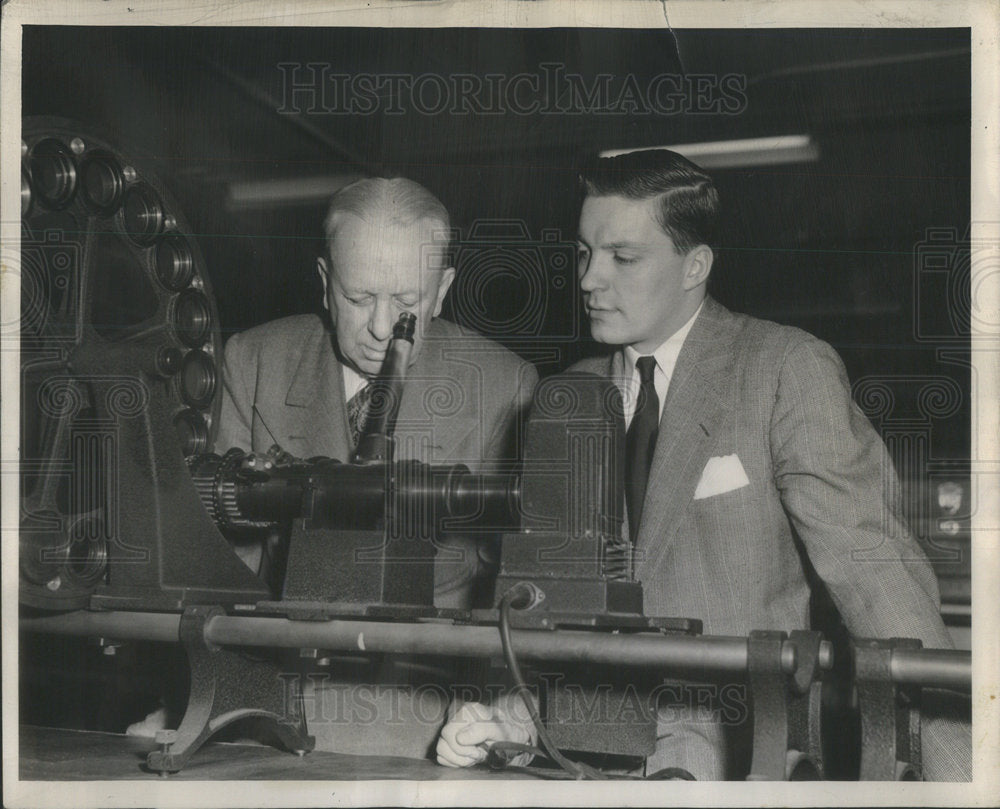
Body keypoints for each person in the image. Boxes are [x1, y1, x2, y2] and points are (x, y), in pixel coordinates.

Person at [436, 149, 971, 780]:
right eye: (583, 253)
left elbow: (877, 579)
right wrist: (506, 717)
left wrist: (964, 775)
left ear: (696, 266)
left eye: (622, 258)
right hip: (577, 758)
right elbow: (544, 613)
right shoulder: (561, 401)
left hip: (737, 760)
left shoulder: (781, 370)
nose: (588, 279)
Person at [129, 177, 538, 757]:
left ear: (443, 290)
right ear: (324, 283)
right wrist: (191, 700)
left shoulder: (504, 387)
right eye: (357, 298)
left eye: (406, 304)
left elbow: (512, 591)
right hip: (260, 711)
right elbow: (218, 567)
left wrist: (499, 719)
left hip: (424, 722)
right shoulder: (254, 362)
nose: (379, 327)